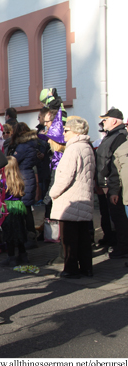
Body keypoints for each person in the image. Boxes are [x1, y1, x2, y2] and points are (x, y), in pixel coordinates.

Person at [49, 116, 95, 278]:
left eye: (67, 130)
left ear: (76, 132)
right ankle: (86, 268)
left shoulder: (73, 149)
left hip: (71, 199)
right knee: (83, 236)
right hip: (83, 196)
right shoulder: (86, 147)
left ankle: (71, 269)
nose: (65, 133)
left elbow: (65, 176)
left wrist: (53, 193)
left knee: (69, 238)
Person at [95, 108, 128, 259]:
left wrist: (113, 189)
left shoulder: (120, 136)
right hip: (105, 183)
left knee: (119, 217)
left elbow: (114, 164)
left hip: (112, 183)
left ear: (114, 120)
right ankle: (111, 239)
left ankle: (122, 246)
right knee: (107, 214)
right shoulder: (111, 135)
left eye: (105, 119)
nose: (103, 122)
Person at [7, 123, 38, 248]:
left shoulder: (22, 147)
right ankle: (31, 236)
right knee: (28, 209)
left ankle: (28, 237)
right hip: (29, 176)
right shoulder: (34, 144)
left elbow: (14, 161)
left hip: (23, 177)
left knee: (24, 210)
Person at [0, 156, 28, 266]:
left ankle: (11, 257)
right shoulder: (19, 180)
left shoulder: (2, 182)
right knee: (20, 232)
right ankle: (23, 255)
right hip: (19, 209)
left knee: (8, 235)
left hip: (7, 209)